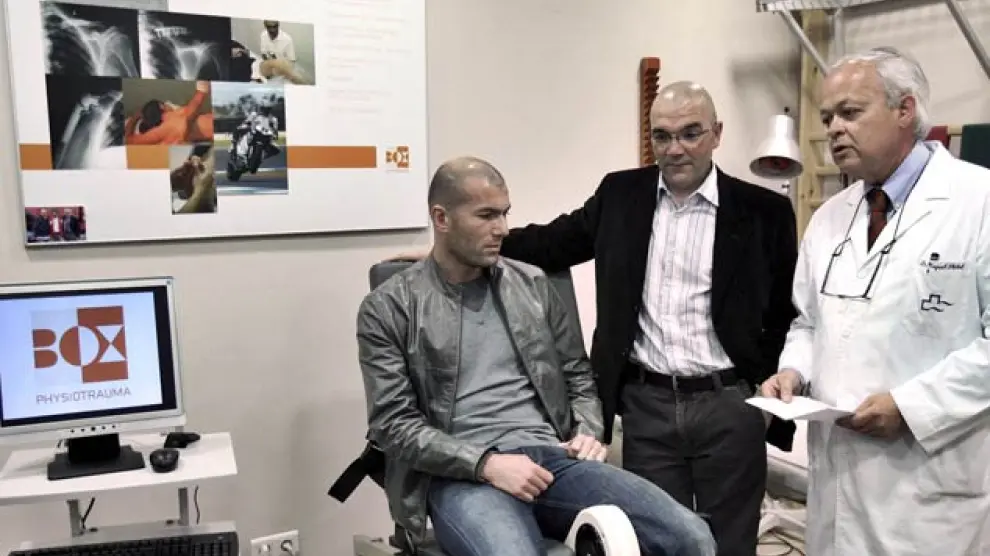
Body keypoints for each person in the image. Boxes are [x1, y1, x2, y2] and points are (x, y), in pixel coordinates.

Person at [389, 81, 799, 555]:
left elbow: (783, 313)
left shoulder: (764, 212)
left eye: (690, 133)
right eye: (662, 136)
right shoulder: (622, 194)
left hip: (729, 402)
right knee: (654, 544)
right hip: (648, 405)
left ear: (717, 134)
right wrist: (448, 250)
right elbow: (553, 242)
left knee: (725, 544)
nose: (675, 148)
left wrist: (761, 399)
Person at [357, 156, 717, 556]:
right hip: (461, 473)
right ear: (442, 219)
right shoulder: (389, 307)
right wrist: (486, 464)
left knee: (692, 537)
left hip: (552, 459)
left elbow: (577, 374)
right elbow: (393, 424)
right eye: (486, 216)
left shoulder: (531, 285)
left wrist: (587, 431)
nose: (502, 229)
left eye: (504, 213)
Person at [759, 47, 990, 555]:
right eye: (827, 118)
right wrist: (793, 371)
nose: (835, 129)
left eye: (850, 112)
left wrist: (910, 406)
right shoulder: (830, 217)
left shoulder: (979, 202)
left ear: (905, 110)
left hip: (929, 485)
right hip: (837, 478)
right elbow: (807, 323)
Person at [125, 81, 213, 145]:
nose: (167, 104)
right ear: (161, 107)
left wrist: (134, 117)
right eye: (164, 104)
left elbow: (129, 140)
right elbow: (191, 111)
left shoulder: (157, 132)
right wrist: (201, 91)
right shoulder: (172, 118)